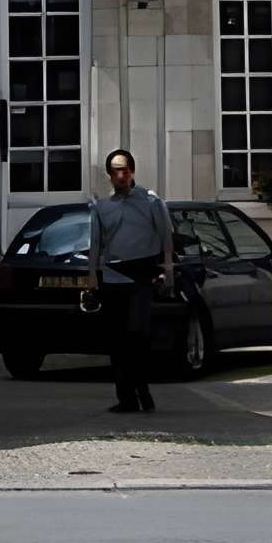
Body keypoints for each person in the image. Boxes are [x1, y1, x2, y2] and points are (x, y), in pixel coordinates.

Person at [88, 148, 174, 416]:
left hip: (141, 277)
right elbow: (96, 244)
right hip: (113, 278)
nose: (121, 175)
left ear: (132, 172)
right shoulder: (102, 207)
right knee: (117, 341)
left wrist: (167, 271)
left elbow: (166, 237)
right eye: (115, 171)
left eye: (125, 170)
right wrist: (92, 278)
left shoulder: (150, 201)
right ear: (109, 175)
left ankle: (142, 390)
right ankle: (126, 398)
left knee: (137, 335)